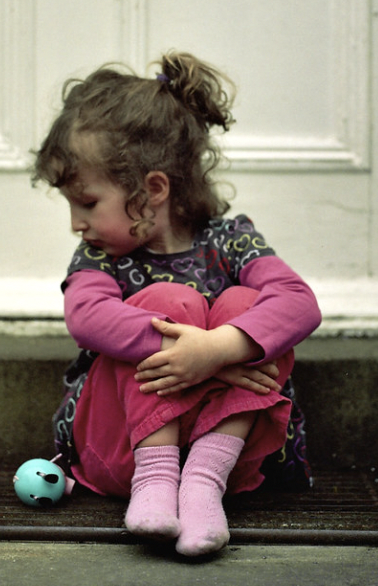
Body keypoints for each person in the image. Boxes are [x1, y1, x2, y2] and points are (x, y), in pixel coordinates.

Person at [32, 51, 321, 557]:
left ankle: (203, 483)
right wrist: (203, 360)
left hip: (231, 462)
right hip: (121, 449)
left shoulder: (230, 240)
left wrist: (217, 350)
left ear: (153, 190)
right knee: (171, 300)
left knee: (248, 304)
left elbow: (299, 304)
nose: (76, 222)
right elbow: (86, 317)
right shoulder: (99, 257)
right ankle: (157, 479)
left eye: (88, 201)